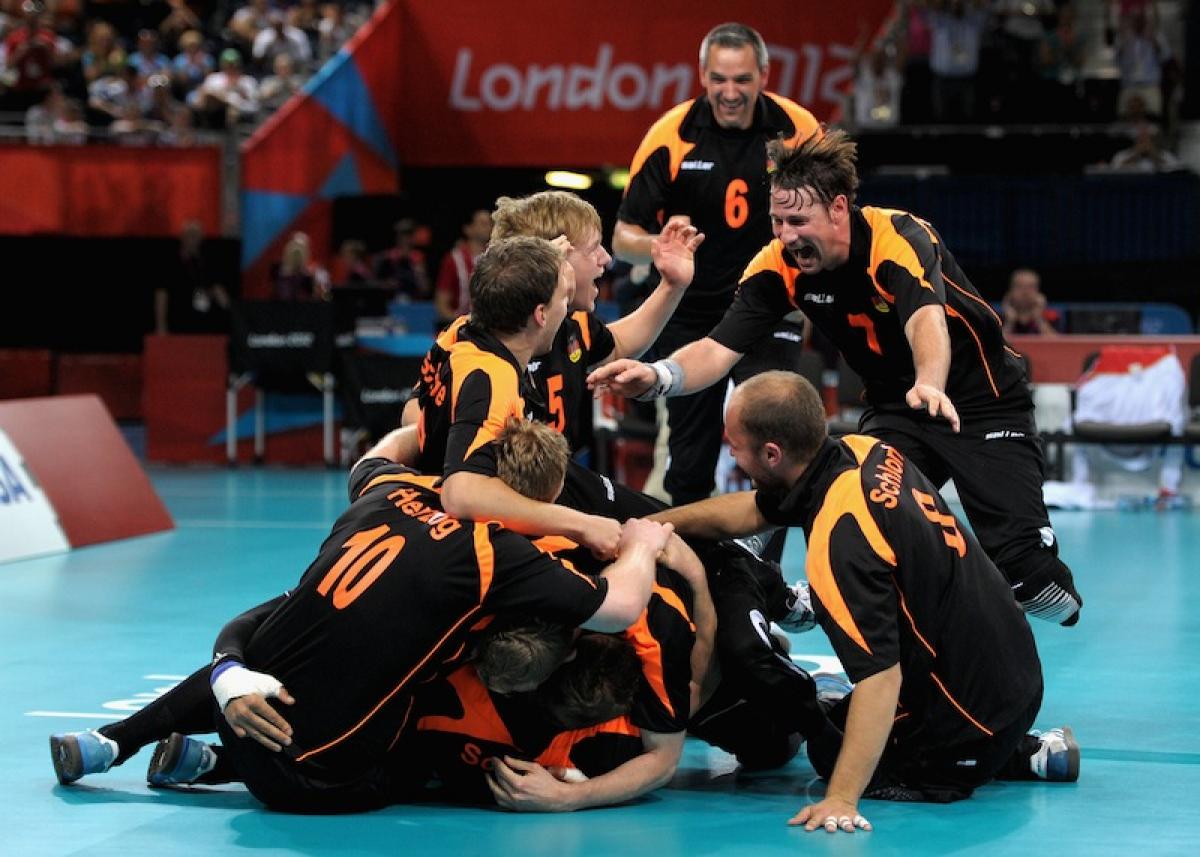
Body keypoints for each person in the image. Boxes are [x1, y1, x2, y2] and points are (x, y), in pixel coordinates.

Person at [51, 412, 673, 813]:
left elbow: (378, 452)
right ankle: (218, 765)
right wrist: (641, 543)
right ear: (545, 499)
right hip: (317, 784)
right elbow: (620, 605)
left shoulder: (391, 488)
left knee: (286, 619)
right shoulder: (498, 556)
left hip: (243, 701)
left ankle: (112, 742)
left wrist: (421, 423)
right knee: (427, 729)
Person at [591, 129, 1083, 626]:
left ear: (839, 208)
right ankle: (823, 602)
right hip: (897, 411)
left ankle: (1023, 581)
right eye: (777, 221)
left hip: (983, 403)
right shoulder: (778, 264)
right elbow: (719, 348)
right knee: (853, 515)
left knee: (1035, 584)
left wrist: (931, 382)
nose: (786, 235)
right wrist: (658, 375)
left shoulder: (896, 236)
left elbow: (925, 319)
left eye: (798, 221)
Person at [653, 372, 1080, 832]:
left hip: (970, 718)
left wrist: (841, 798)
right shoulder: (863, 451)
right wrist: (653, 525)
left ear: (772, 454)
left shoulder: (840, 539)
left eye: (735, 446)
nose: (732, 454)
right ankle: (1024, 748)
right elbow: (754, 509)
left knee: (830, 749)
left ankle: (986, 758)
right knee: (843, 712)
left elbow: (879, 678)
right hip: (1016, 678)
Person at [612, 21, 820, 505]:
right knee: (689, 464)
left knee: (776, 445)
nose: (730, 92)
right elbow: (622, 237)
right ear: (702, 75)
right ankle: (694, 555)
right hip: (689, 315)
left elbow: (835, 218)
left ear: (764, 75)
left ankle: (765, 555)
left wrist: (813, 292)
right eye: (719, 79)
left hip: (769, 308)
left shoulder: (798, 130)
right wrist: (659, 247)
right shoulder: (672, 134)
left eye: (742, 79)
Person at [411, 223, 700, 557]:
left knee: (668, 525)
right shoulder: (492, 374)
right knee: (671, 541)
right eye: (563, 298)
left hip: (526, 497)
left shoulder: (467, 334)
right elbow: (461, 492)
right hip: (478, 535)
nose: (605, 259)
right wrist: (581, 524)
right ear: (541, 313)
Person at [155, 220, 230, 334]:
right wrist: (161, 325)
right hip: (178, 323)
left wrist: (217, 296)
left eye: (196, 236)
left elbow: (217, 290)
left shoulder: (208, 262)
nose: (192, 239)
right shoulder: (169, 262)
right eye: (189, 235)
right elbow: (161, 294)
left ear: (201, 239)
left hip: (204, 325)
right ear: (182, 237)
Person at [433, 208, 492, 328]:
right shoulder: (454, 259)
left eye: (490, 223)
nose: (489, 227)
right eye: (483, 223)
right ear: (468, 229)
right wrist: (461, 326)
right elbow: (442, 303)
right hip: (461, 327)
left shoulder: (497, 257)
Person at [1001, 268, 1060, 336]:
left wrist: (1038, 318)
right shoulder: (998, 318)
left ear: (1038, 291)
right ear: (1011, 291)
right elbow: (996, 342)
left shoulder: (1052, 316)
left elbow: (1057, 341)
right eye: (1019, 287)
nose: (1025, 292)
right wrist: (1010, 323)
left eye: (1030, 287)